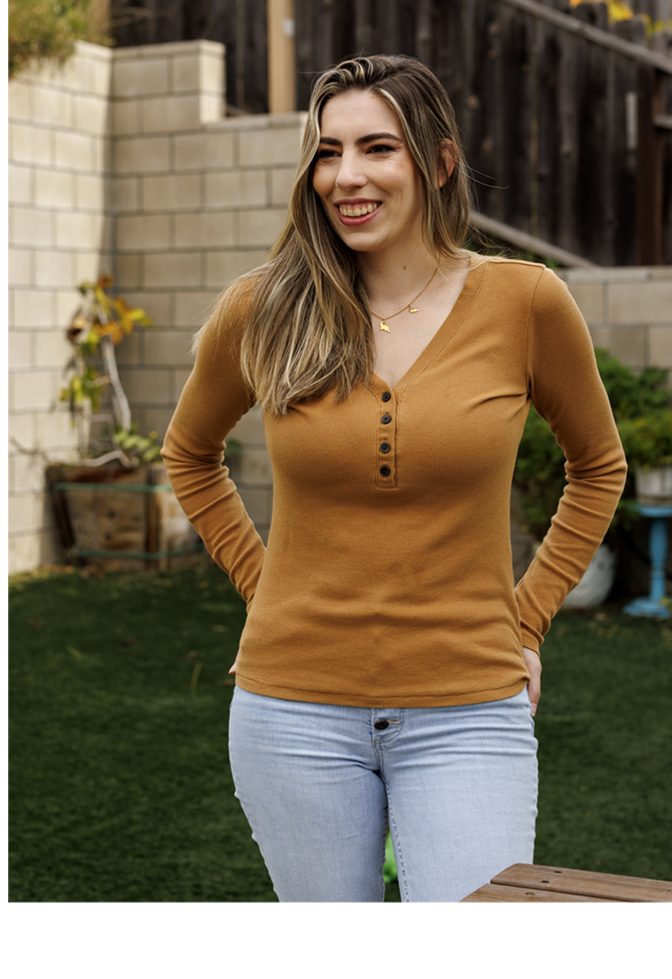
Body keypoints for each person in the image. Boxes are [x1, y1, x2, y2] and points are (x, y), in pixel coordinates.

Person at [161, 54, 626, 903]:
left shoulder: (526, 302)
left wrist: (526, 620)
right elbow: (188, 454)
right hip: (290, 712)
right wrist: (265, 589)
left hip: (469, 709)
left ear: (438, 162)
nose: (348, 177)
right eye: (328, 152)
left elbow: (598, 467)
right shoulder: (263, 307)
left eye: (378, 148)